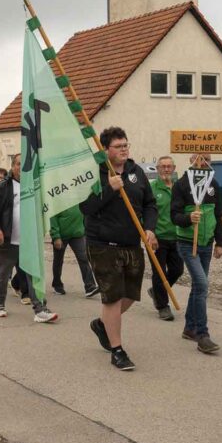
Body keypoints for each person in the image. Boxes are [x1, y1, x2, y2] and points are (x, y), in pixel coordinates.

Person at [81, 127, 157, 371]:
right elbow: (86, 207)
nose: (124, 149)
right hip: (103, 245)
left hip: (132, 243)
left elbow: (150, 204)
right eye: (118, 146)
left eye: (126, 144)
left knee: (131, 294)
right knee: (112, 296)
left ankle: (103, 324)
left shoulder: (137, 172)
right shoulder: (95, 174)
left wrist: (150, 229)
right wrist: (108, 189)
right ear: (106, 150)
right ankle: (117, 350)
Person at [0, 154, 59, 323]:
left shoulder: (35, 185)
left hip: (29, 239)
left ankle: (40, 309)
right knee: (3, 273)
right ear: (13, 166)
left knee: (34, 275)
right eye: (18, 164)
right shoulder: (3, 186)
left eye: (24, 165)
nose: (21, 167)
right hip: (8, 239)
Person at [172, 153, 222, 353]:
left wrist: (220, 242)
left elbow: (218, 215)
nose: (203, 163)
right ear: (191, 160)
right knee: (202, 285)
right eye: (198, 159)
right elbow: (174, 215)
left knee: (197, 286)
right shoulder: (182, 185)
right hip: (187, 243)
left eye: (207, 159)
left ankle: (189, 328)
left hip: (206, 244)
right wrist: (188, 218)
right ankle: (203, 335)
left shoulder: (214, 185)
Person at [148, 155, 183, 319]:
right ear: (157, 169)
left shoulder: (178, 188)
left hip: (176, 237)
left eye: (169, 166)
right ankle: (163, 306)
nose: (166, 169)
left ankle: (157, 291)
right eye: (163, 166)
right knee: (159, 272)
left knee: (177, 269)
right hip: (157, 238)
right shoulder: (152, 189)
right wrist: (150, 233)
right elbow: (144, 212)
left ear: (174, 168)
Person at [49, 204, 99, 298]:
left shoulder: (79, 198)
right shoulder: (58, 200)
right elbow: (53, 218)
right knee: (58, 261)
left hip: (78, 233)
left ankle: (90, 286)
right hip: (61, 235)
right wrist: (56, 236)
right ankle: (57, 284)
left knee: (83, 258)